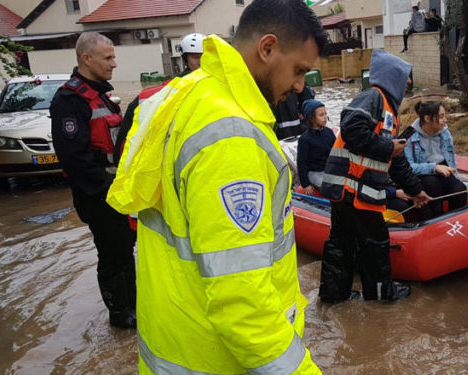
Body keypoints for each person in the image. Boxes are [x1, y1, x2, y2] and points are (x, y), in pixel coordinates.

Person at [105, 0, 327, 373]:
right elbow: (242, 303)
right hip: (218, 360)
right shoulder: (231, 138)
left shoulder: (186, 94)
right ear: (267, 48)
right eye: (299, 70)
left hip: (177, 341)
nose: (301, 86)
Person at [319, 49, 431, 303]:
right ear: (393, 77)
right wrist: (389, 147)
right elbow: (351, 128)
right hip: (354, 191)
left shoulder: (388, 111)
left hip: (348, 192)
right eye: (405, 77)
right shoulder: (373, 98)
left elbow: (396, 159)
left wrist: (415, 190)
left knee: (341, 241)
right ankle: (381, 294)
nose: (409, 83)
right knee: (376, 241)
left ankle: (335, 295)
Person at [50, 32, 136, 329]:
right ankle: (120, 315)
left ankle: (132, 304)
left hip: (115, 189)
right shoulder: (69, 99)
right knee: (113, 252)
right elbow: (74, 158)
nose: (114, 63)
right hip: (98, 193)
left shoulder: (101, 94)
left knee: (125, 248)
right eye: (108, 58)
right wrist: (107, 191)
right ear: (87, 59)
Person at [117, 33, 207, 166]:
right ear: (185, 59)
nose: (200, 62)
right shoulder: (167, 90)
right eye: (195, 57)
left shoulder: (220, 86)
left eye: (204, 57)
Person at [405, 101, 467, 220]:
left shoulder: (445, 133)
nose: (445, 120)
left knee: (459, 190)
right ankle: (436, 222)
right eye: (441, 116)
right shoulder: (410, 136)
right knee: (432, 185)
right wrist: (434, 167)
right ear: (427, 118)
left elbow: (451, 160)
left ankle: (453, 221)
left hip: (443, 171)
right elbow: (408, 167)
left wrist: (455, 178)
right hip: (421, 175)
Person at [297, 99, 335, 195]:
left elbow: (337, 153)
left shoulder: (329, 132)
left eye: (325, 114)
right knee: (330, 188)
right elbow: (301, 163)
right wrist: (305, 184)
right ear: (311, 118)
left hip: (330, 170)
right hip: (315, 173)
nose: (325, 117)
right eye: (321, 115)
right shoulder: (305, 139)